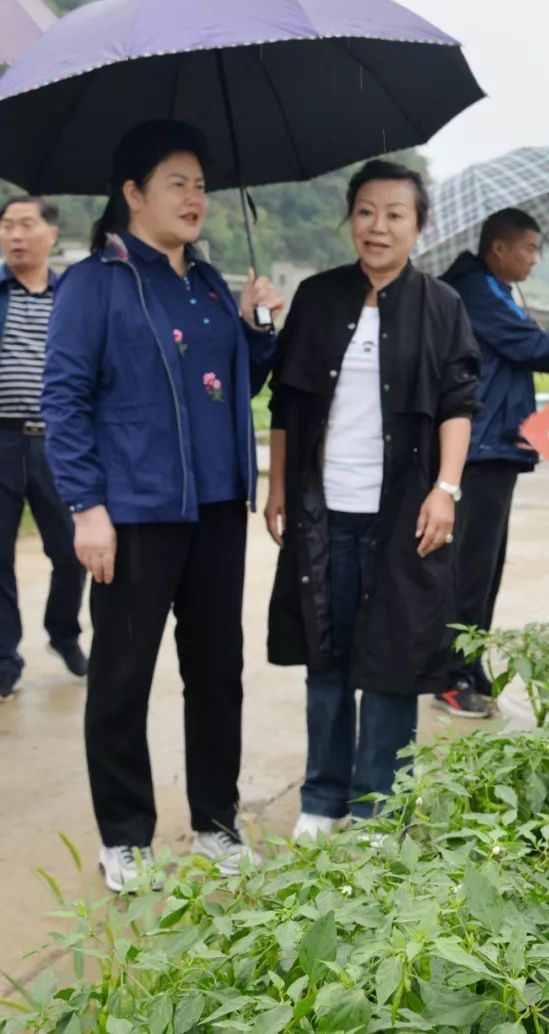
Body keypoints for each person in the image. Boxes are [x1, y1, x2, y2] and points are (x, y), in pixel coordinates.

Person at [42, 120, 283, 892]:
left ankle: (216, 821)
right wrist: (86, 508)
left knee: (218, 671)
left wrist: (259, 331)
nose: (195, 198)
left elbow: (230, 390)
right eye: (177, 182)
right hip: (135, 510)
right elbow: (66, 400)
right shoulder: (94, 285)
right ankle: (125, 836)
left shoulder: (210, 284)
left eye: (202, 185)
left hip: (215, 506)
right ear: (133, 193)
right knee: (122, 677)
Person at [264, 160, 480, 840]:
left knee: (392, 657)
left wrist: (446, 490)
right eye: (365, 210)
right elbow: (286, 403)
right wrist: (276, 488)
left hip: (403, 512)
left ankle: (377, 804)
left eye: (394, 213)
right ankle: (322, 796)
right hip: (323, 510)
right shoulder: (318, 297)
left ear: (419, 225)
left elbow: (457, 404)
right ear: (349, 218)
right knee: (324, 654)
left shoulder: (442, 306)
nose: (377, 226)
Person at [435, 208, 549, 718]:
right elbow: (527, 346)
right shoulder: (474, 290)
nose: (534, 258)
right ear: (498, 248)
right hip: (478, 447)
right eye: (528, 247)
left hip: (498, 444)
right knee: (467, 567)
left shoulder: (496, 291)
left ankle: (470, 659)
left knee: (486, 566)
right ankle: (447, 673)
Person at [0, 196, 87, 699]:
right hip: (2, 439)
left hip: (58, 442)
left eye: (26, 225)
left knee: (72, 550)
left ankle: (64, 634)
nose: (15, 235)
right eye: (7, 226)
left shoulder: (71, 294)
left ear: (50, 234)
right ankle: (4, 657)